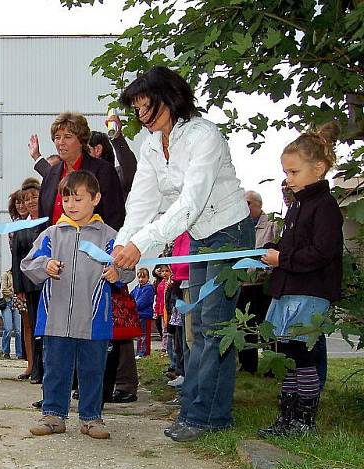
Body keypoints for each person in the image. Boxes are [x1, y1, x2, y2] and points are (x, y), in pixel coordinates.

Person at [111, 66, 254, 442]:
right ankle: (198, 409)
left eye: (146, 107)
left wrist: (143, 246)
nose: (141, 117)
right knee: (198, 330)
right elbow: (141, 203)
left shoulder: (204, 136)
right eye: (137, 109)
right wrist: (122, 248)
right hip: (200, 237)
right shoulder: (150, 146)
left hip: (230, 234)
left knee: (212, 326)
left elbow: (191, 203)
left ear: (170, 98)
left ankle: (207, 416)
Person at [21, 171, 134, 438]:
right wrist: (44, 265)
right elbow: (28, 264)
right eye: (67, 199)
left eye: (79, 199)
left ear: (96, 199)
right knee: (55, 369)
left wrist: (119, 273)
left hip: (94, 321)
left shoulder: (109, 236)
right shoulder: (52, 234)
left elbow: (128, 268)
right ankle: (53, 416)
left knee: (93, 371)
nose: (71, 205)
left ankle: (91, 418)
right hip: (55, 319)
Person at [257, 122, 343, 437]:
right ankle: (287, 417)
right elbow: (293, 248)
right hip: (290, 290)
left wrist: (283, 259)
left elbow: (321, 253)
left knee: (304, 357)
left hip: (310, 292)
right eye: (286, 172)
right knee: (290, 356)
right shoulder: (297, 206)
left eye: (293, 172)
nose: (288, 179)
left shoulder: (325, 206)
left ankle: (304, 421)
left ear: (318, 169)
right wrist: (274, 251)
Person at [236, 190, 278, 373]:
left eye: (248, 204)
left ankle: (271, 366)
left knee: (266, 325)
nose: (245, 208)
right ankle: (247, 365)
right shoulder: (239, 227)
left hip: (263, 284)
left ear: (259, 205)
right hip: (244, 284)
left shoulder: (272, 226)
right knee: (245, 326)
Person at [12, 178, 42, 382]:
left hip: (50, 283)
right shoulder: (21, 226)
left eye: (34, 197)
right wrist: (18, 286)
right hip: (29, 285)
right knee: (33, 326)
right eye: (26, 199)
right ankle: (36, 369)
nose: (30, 202)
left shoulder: (51, 221)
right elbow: (17, 258)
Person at [0, 269, 23, 359]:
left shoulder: (20, 275)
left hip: (17, 304)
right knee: (8, 329)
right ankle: (5, 351)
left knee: (18, 330)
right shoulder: (6, 274)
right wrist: (13, 292)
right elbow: (4, 290)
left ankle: (19, 353)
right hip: (7, 304)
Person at [132, 268, 154, 358]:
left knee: (144, 335)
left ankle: (143, 352)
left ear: (148, 277)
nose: (141, 279)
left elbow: (142, 302)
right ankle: (139, 351)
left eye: (143, 277)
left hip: (145, 315)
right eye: (139, 277)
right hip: (138, 315)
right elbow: (131, 296)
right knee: (139, 335)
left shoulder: (148, 289)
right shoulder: (137, 288)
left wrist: (133, 307)